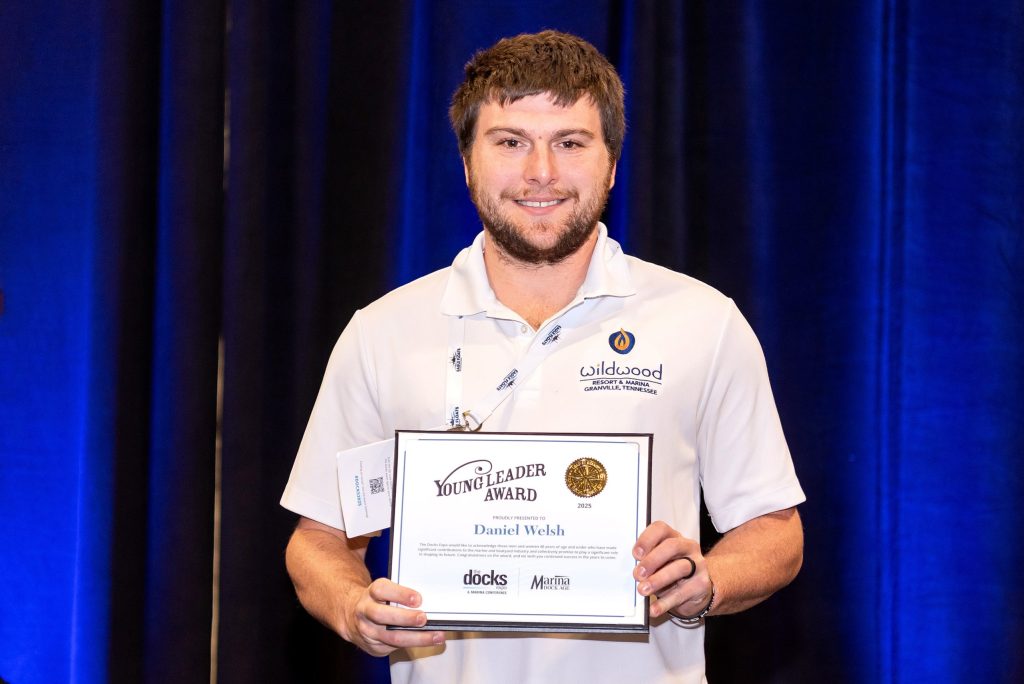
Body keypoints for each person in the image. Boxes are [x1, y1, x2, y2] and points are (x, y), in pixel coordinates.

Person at [281, 30, 805, 683]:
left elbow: (776, 530)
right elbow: (320, 538)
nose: (541, 173)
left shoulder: (703, 322)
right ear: (466, 162)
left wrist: (709, 580)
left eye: (570, 143)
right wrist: (353, 607)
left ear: (611, 164)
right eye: (510, 142)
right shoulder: (383, 332)